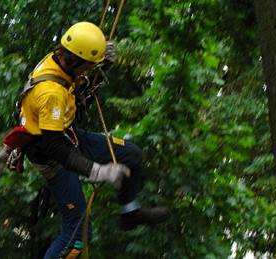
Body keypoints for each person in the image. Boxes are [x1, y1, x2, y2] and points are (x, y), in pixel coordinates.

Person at [13, 21, 169, 259]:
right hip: (52, 155)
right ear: (76, 61)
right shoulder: (50, 92)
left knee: (131, 155)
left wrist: (102, 62)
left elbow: (80, 78)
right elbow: (54, 146)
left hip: (68, 136)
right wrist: (97, 171)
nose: (88, 70)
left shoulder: (61, 60)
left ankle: (130, 212)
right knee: (78, 230)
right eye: (88, 65)